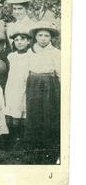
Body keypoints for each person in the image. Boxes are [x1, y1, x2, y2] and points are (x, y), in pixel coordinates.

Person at [25, 21, 61, 149]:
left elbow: (59, 70)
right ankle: (33, 140)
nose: (43, 39)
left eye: (46, 36)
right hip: (33, 82)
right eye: (40, 35)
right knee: (34, 109)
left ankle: (48, 140)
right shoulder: (31, 51)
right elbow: (26, 69)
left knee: (48, 110)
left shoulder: (55, 52)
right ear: (35, 37)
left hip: (49, 84)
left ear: (51, 37)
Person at [4, 26, 32, 146]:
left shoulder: (31, 55)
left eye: (22, 39)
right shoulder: (11, 56)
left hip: (24, 85)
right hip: (12, 85)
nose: (19, 42)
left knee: (22, 107)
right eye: (16, 40)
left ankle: (22, 138)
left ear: (29, 41)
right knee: (11, 106)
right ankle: (11, 137)